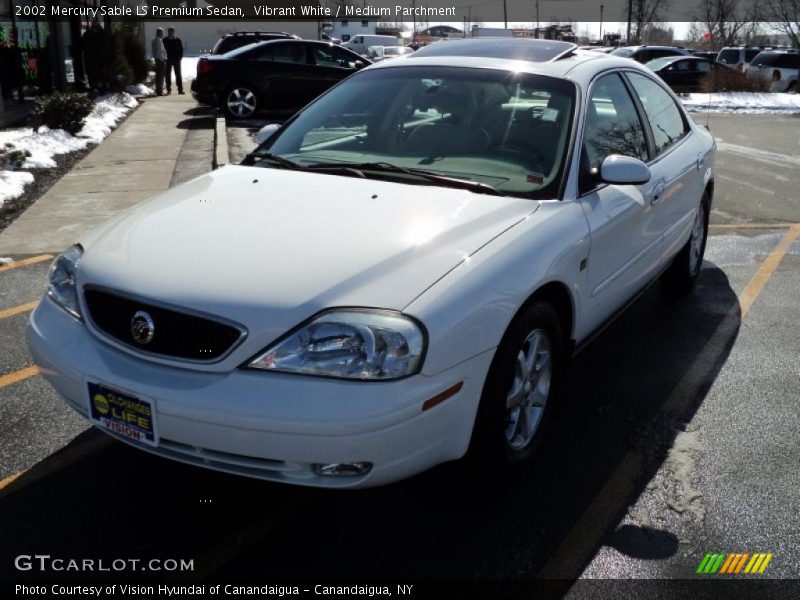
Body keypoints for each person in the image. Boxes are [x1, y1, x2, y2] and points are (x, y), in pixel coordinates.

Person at [163, 27, 184, 95]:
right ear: (168, 32)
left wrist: (180, 57)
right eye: (169, 31)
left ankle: (180, 90)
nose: (171, 33)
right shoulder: (165, 40)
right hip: (168, 59)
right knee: (168, 75)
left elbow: (181, 49)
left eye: (172, 31)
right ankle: (168, 89)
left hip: (176, 59)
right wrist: (164, 58)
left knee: (178, 75)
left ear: (174, 32)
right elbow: (162, 50)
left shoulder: (177, 40)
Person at [151, 28, 167, 96]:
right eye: (162, 33)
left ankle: (159, 90)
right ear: (159, 33)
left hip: (157, 59)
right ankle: (159, 91)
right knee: (160, 76)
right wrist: (163, 59)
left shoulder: (154, 40)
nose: (162, 34)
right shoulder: (158, 40)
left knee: (158, 76)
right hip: (160, 60)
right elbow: (159, 51)